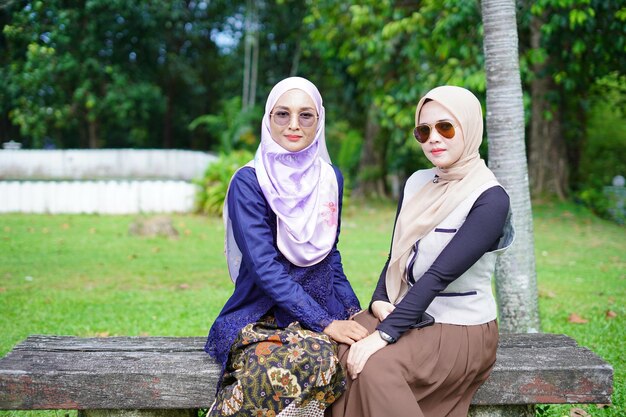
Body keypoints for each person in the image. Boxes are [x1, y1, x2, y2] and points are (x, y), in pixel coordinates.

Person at [329, 86, 515, 417]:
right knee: (342, 348)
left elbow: (438, 276)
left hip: (459, 326)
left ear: (469, 127)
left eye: (446, 127)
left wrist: (383, 334)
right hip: (408, 312)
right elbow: (395, 255)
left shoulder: (490, 198)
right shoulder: (416, 182)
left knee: (376, 367)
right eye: (423, 130)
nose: (433, 138)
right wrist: (379, 299)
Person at [205, 76, 368, 417]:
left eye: (306, 115)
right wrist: (326, 323)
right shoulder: (249, 182)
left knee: (368, 354)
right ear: (268, 119)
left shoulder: (329, 178)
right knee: (315, 356)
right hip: (262, 314)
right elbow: (265, 269)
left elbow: (329, 253)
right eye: (283, 114)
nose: (294, 125)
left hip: (323, 306)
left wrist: (353, 314)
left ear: (318, 121)